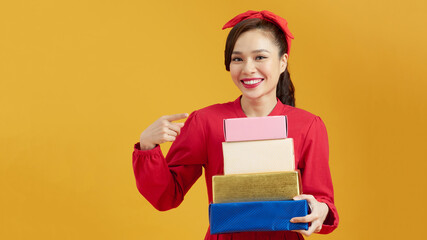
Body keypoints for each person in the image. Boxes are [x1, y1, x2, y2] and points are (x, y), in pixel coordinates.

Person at [132, 10, 339, 240]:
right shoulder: (205, 122)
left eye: (260, 57)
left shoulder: (309, 125)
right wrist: (148, 146)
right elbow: (166, 196)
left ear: (283, 62)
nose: (248, 68)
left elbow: (322, 200)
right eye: (237, 58)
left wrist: (320, 210)